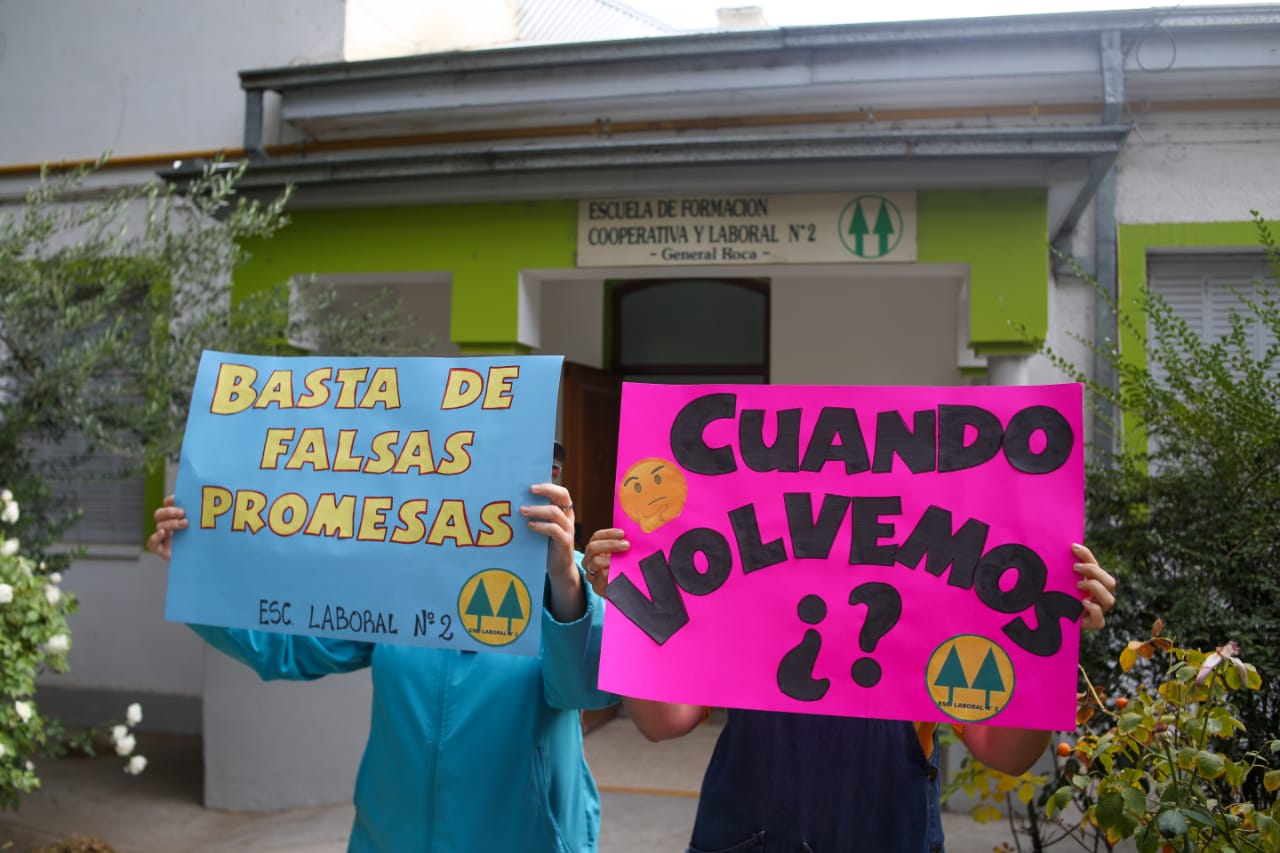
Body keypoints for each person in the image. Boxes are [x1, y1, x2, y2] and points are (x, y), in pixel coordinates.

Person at [148, 463, 615, 852]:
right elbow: (285, 647)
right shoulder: (398, 576)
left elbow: (584, 689)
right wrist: (198, 575)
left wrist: (563, 579)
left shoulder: (566, 578)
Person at [581, 530, 1117, 853]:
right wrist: (633, 615)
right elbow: (661, 723)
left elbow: (1008, 755)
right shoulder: (744, 594)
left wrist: (1053, 645)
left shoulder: (936, 606)